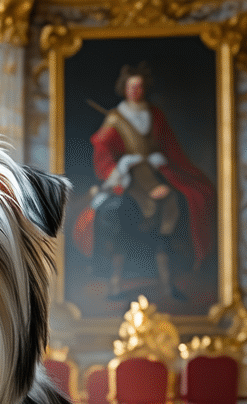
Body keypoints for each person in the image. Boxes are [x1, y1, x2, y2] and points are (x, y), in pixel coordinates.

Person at [73, 63, 216, 301]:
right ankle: (116, 284)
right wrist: (122, 164)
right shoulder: (116, 118)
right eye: (131, 87)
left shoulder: (155, 114)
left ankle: (167, 281)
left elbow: (170, 146)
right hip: (128, 178)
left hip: (156, 171)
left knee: (176, 200)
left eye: (139, 87)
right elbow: (102, 152)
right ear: (124, 89)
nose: (135, 91)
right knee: (126, 203)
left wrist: (160, 158)